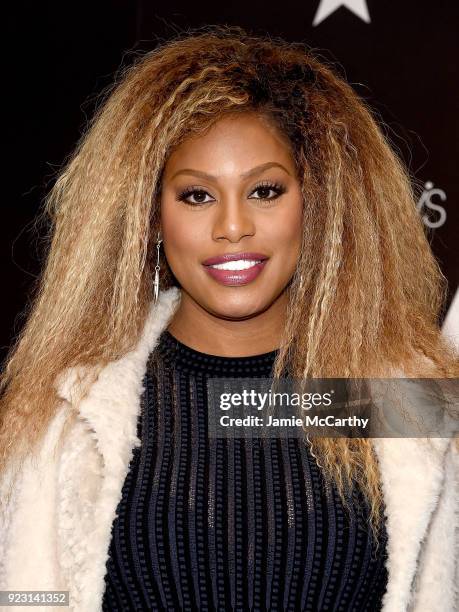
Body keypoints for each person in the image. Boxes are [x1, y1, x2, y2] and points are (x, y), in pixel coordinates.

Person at [0, 24, 458, 612]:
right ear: (148, 215)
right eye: (197, 195)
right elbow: (26, 596)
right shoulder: (66, 408)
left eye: (265, 190)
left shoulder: (399, 399)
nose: (232, 226)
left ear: (319, 201)